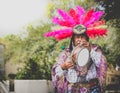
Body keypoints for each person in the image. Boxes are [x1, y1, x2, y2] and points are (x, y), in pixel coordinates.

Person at [45, 6, 107, 93]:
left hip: (93, 89)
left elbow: (101, 64)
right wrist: (63, 67)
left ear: (87, 39)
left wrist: (90, 51)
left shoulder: (95, 50)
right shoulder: (65, 54)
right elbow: (57, 72)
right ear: (73, 39)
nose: (80, 39)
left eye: (82, 37)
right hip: (72, 89)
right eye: (77, 37)